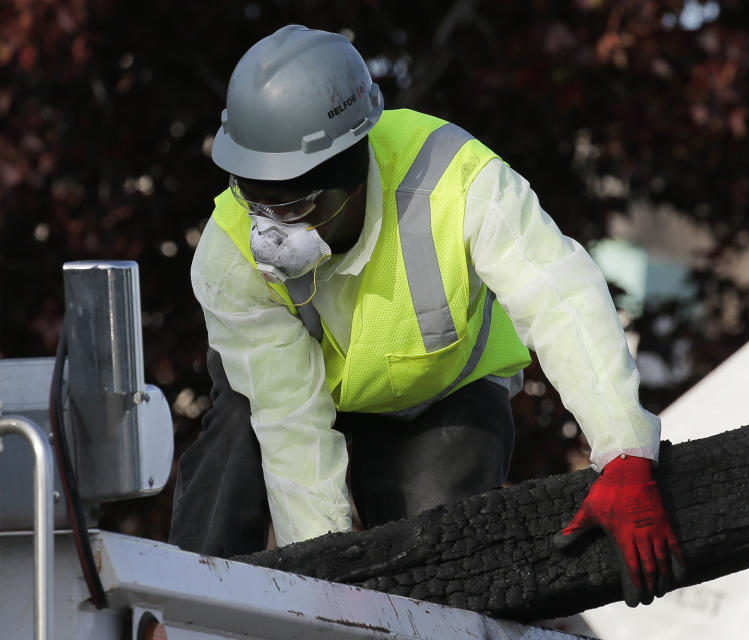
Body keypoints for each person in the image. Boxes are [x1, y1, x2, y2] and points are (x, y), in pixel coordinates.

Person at [170, 24, 683, 606]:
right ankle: (184, 609)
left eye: (292, 205)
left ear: (352, 171)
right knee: (238, 429)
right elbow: (291, 427)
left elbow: (560, 297)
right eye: (253, 197)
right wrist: (322, 590)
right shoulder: (230, 253)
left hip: (446, 396)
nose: (269, 231)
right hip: (310, 403)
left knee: (441, 555)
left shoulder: (457, 179)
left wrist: (624, 453)